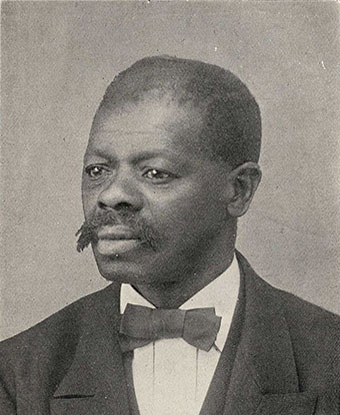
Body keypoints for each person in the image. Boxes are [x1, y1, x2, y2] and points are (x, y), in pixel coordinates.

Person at [0, 56, 339, 415]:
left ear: (239, 190)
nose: (111, 194)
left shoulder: (330, 361)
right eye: (97, 170)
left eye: (155, 173)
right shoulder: (18, 376)